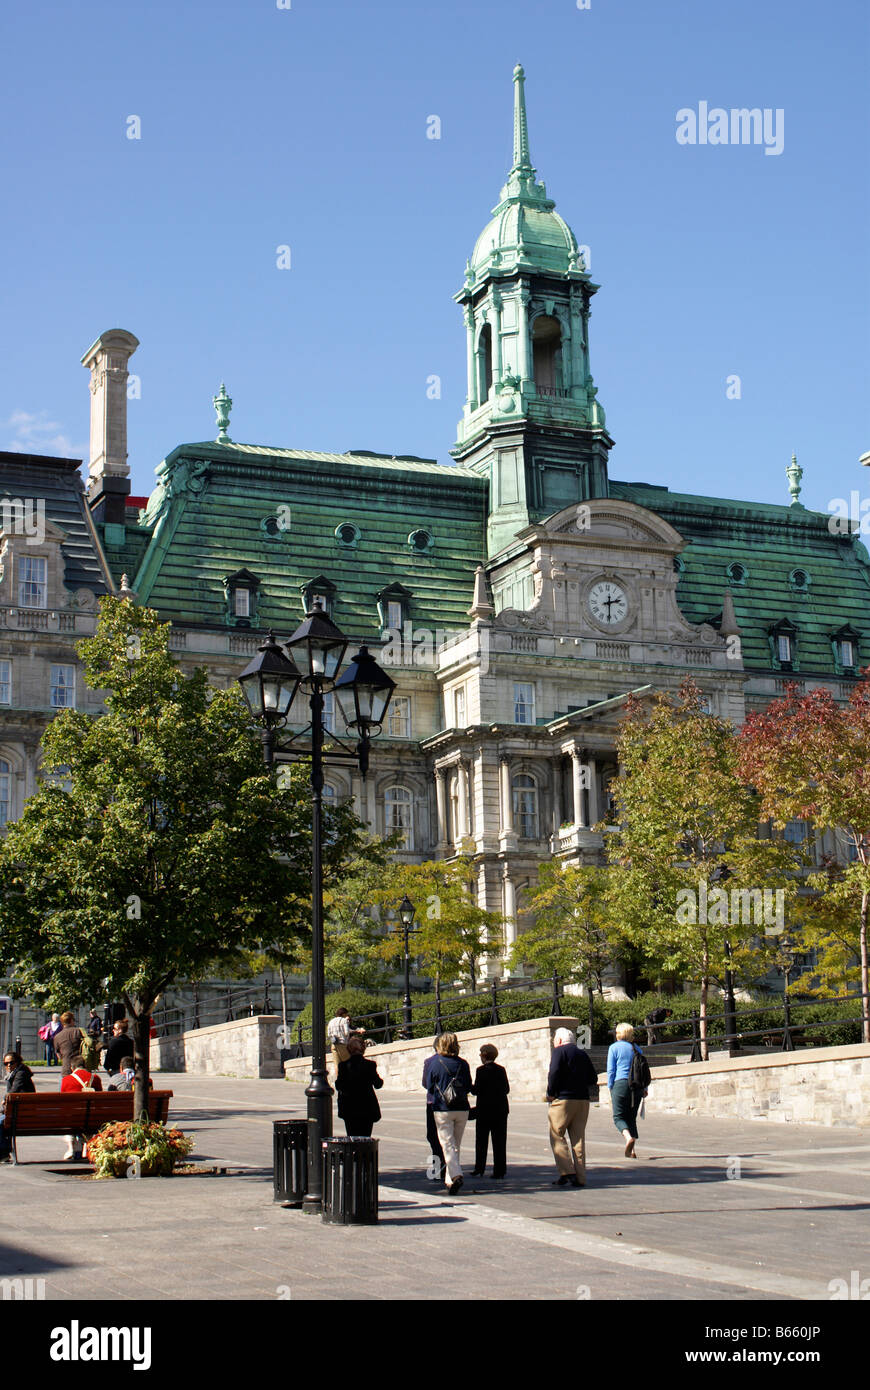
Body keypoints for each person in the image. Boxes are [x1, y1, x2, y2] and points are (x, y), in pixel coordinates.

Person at [546, 1025, 599, 1189]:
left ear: (560, 1040)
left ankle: (566, 1171)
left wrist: (551, 1092)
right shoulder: (582, 1053)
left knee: (557, 1133)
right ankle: (581, 1177)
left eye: (555, 1040)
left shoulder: (559, 1052)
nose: (554, 1043)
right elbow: (593, 1078)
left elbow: (553, 1072)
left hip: (563, 1099)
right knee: (578, 1138)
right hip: (582, 1100)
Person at [423, 1032, 472, 1195]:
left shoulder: (435, 1064)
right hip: (462, 1107)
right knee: (455, 1144)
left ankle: (456, 1175)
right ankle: (450, 1181)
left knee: (447, 1144)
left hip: (442, 1108)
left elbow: (429, 1085)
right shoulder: (463, 1064)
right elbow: (468, 1085)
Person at [470, 1043, 510, 1179]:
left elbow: (476, 1091)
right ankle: (500, 1170)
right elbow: (506, 1089)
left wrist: (470, 1086)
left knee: (481, 1140)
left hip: (484, 1110)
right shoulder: (501, 1070)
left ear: (484, 1056)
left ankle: (479, 1168)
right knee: (499, 1141)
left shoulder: (480, 1070)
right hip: (500, 1109)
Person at [607, 1022, 647, 1157]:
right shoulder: (636, 1049)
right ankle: (633, 1150)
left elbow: (611, 1071)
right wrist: (645, 1087)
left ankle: (628, 1137)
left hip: (620, 1084)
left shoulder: (614, 1048)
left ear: (619, 1034)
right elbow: (643, 1070)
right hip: (637, 1086)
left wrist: (610, 1087)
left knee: (618, 1117)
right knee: (631, 1117)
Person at [335, 1035, 384, 1137]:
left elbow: (339, 1085)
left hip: (349, 1107)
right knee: (365, 1137)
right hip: (366, 1107)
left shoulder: (343, 1066)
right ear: (363, 1049)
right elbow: (378, 1084)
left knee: (351, 1136)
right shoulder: (370, 1065)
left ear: (349, 1050)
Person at [60, 1062, 103, 1161]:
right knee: (88, 1117)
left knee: (70, 1117)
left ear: (72, 1068)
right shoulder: (95, 1078)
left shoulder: (66, 1080)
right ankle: (86, 1147)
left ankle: (72, 1148)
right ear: (85, 1067)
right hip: (91, 1118)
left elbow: (64, 1103)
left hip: (73, 1119)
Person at [0, 1052, 36, 1162]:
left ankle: (3, 1152)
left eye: (11, 1062)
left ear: (18, 1062)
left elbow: (13, 1092)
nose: (9, 1065)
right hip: (21, 1112)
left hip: (21, 1114)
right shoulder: (19, 1072)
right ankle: (4, 1151)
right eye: (6, 1063)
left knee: (0, 1122)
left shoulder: (20, 1074)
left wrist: (4, 1100)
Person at [422, 1048, 446, 1183]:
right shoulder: (459, 1061)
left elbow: (425, 1083)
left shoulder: (430, 1061)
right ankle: (449, 1168)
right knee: (448, 1137)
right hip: (451, 1104)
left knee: (432, 1135)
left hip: (433, 1102)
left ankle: (437, 1167)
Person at [51, 1011, 85, 1077]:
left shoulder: (57, 1037)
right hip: (80, 1069)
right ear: (71, 1020)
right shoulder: (78, 1031)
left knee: (64, 1086)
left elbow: (59, 1056)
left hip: (66, 1070)